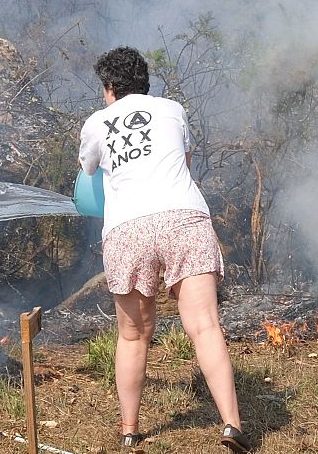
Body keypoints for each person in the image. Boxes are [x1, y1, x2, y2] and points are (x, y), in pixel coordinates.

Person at [78, 46, 251, 452]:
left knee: (134, 335)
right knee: (205, 326)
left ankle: (130, 430)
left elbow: (87, 174)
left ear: (110, 87)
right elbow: (184, 163)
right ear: (145, 82)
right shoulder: (173, 109)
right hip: (183, 220)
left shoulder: (97, 123)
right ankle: (231, 424)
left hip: (128, 229)